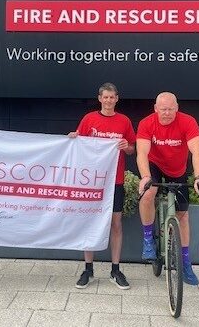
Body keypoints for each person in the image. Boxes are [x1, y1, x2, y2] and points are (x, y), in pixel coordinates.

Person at [136, 92, 199, 286]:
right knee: (148, 193)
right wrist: (145, 177)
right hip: (154, 165)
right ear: (156, 108)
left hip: (177, 169)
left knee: (183, 216)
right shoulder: (146, 123)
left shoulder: (188, 122)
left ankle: (185, 262)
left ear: (177, 108)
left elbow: (197, 151)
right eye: (163, 109)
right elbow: (142, 152)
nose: (167, 113)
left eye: (170, 109)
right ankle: (148, 239)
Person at [68, 82, 136, 290]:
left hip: (115, 181)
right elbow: (79, 144)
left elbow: (133, 149)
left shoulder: (124, 121)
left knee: (116, 224)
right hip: (93, 182)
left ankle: (115, 269)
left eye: (112, 97)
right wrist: (73, 138)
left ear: (117, 98)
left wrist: (127, 147)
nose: (108, 101)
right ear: (99, 98)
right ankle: (88, 268)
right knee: (90, 222)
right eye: (105, 97)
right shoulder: (89, 119)